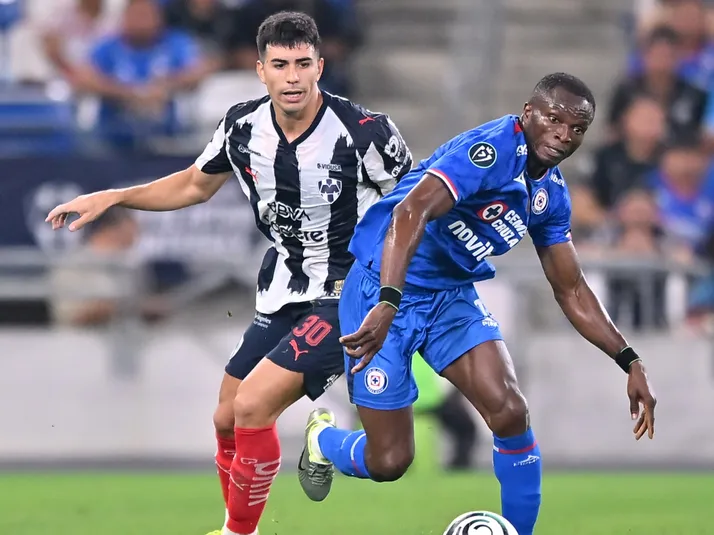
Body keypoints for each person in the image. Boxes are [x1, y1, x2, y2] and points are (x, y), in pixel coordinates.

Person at [45, 11, 411, 535]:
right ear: (260, 70)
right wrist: (115, 196)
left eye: (302, 64)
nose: (292, 77)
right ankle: (241, 523)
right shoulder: (242, 126)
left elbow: (416, 206)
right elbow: (195, 184)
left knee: (254, 404)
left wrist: (404, 287)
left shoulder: (365, 132)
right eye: (279, 65)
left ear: (320, 67)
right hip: (283, 286)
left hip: (349, 291)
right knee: (226, 417)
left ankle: (239, 533)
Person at [297, 73, 657, 535]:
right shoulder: (489, 151)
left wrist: (629, 359)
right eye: (554, 119)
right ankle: (323, 440)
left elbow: (571, 289)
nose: (564, 135)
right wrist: (388, 300)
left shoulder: (550, 196)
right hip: (381, 288)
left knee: (510, 410)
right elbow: (410, 211)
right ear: (529, 113)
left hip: (450, 297)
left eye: (577, 128)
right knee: (390, 460)